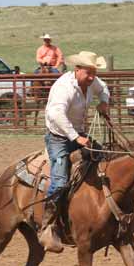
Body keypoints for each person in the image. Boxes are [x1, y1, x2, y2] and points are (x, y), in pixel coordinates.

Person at [39, 51, 110, 253]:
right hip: (58, 137)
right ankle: (47, 225)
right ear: (77, 70)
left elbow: (103, 88)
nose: (92, 78)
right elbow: (56, 114)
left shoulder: (90, 82)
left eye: (94, 73)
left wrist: (103, 100)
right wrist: (75, 137)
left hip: (78, 133)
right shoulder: (64, 88)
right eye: (88, 73)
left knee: (103, 158)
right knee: (60, 181)